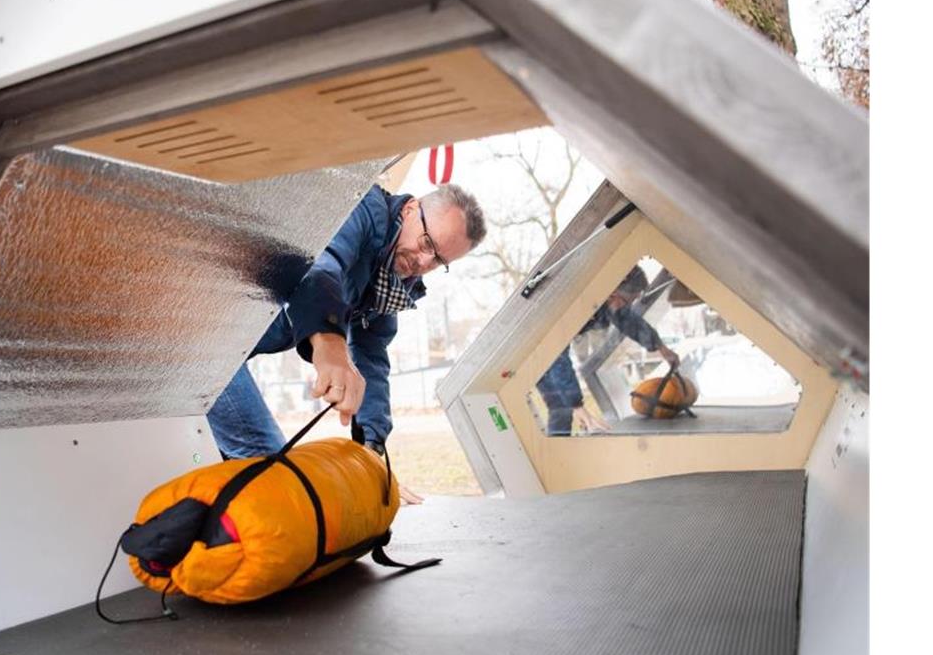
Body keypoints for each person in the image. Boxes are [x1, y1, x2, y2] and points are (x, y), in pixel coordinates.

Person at [207, 182, 486, 466]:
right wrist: (329, 341)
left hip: (228, 353)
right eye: (428, 243)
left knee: (235, 469)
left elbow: (372, 353)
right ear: (411, 208)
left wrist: (372, 446)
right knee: (269, 467)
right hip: (203, 337)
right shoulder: (363, 208)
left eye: (438, 260)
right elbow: (321, 265)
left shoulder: (386, 283)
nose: (424, 261)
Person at [535, 266, 679, 435]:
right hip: (537, 348)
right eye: (626, 301)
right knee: (560, 407)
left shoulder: (608, 300)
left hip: (552, 352)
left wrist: (662, 348)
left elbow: (628, 320)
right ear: (612, 292)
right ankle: (556, 452)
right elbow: (555, 356)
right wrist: (578, 407)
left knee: (563, 406)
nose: (625, 306)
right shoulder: (571, 303)